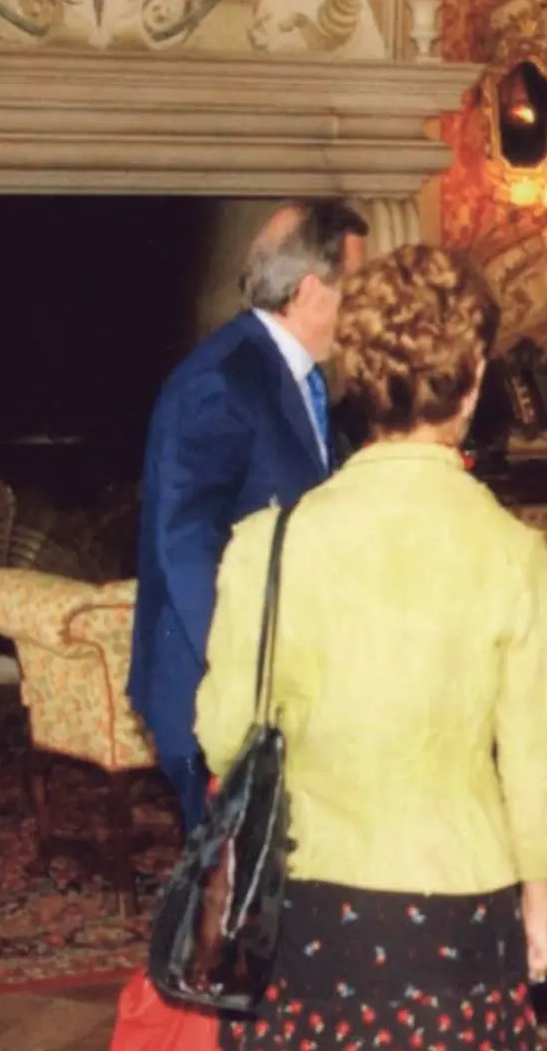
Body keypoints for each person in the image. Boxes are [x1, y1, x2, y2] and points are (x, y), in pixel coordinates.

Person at [197, 244, 547, 1051]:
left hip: (312, 906)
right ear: (474, 380)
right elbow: (536, 766)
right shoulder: (512, 553)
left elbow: (222, 736)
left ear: (354, 377)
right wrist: (539, 909)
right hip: (460, 905)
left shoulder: (269, 543)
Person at [131, 198, 369, 830]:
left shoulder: (291, 375)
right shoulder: (223, 380)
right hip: (218, 689)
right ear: (312, 290)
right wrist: (248, 679)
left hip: (275, 680)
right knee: (232, 880)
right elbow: (185, 545)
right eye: (358, 286)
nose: (365, 304)